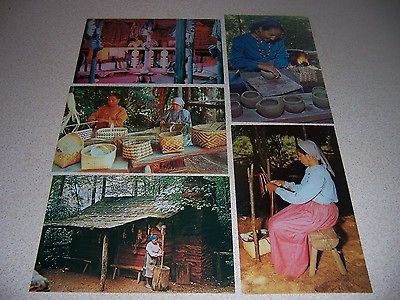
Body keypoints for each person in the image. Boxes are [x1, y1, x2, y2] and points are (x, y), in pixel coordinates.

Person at [265, 139, 339, 278]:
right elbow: (304, 190)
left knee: (279, 225)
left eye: (300, 156)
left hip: (323, 213)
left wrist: (276, 190)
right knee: (274, 221)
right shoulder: (311, 170)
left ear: (309, 156)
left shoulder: (319, 174)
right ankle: (284, 259)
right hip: (312, 206)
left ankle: (294, 265)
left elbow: (299, 198)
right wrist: (286, 184)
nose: (298, 158)